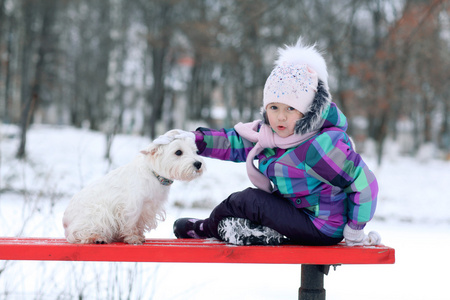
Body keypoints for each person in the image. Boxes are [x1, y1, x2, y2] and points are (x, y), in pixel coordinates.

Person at [164, 38, 381, 246]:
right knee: (250, 204)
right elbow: (232, 143)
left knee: (249, 200)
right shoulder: (270, 136)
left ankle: (206, 229)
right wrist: (194, 140)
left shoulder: (320, 146)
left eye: (290, 109)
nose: (281, 117)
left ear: (307, 111)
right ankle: (253, 230)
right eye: (274, 107)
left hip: (322, 226)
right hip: (295, 211)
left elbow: (364, 183)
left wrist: (355, 228)